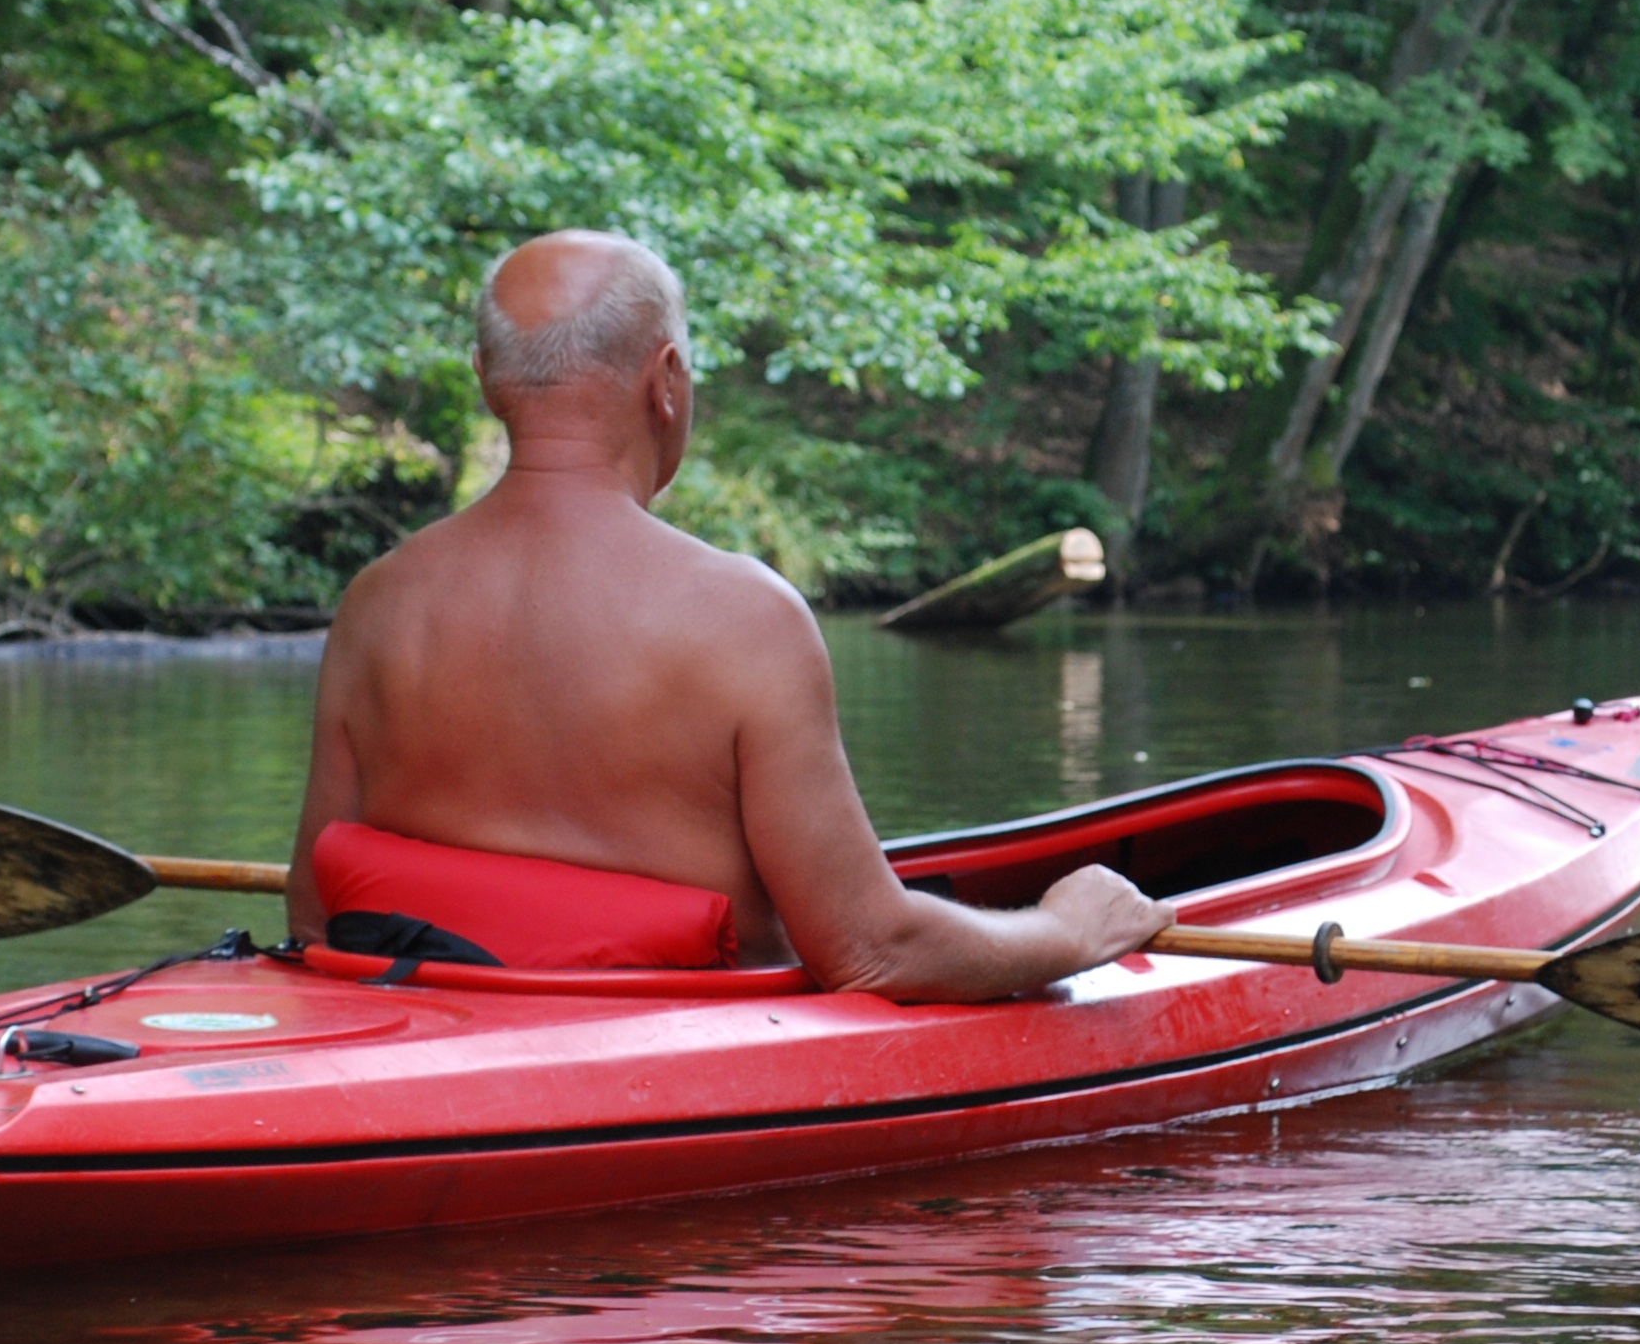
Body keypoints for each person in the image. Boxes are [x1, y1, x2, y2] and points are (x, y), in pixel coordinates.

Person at [285, 229, 1174, 1000]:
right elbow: (871, 952)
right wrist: (1065, 934)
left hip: (434, 1020)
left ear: (486, 381)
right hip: (659, 1065)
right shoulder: (744, 617)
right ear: (666, 380)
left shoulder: (381, 601)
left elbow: (316, 917)